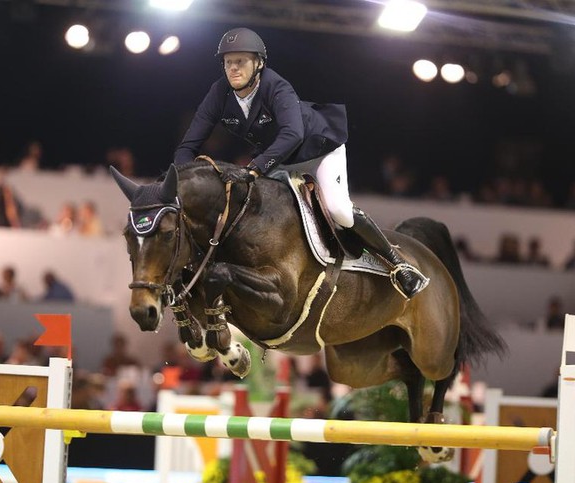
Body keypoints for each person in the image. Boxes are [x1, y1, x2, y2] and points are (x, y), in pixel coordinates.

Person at [173, 28, 428, 299]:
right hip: (280, 159)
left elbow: (292, 134)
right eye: (228, 62)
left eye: (241, 61)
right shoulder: (219, 92)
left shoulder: (275, 85)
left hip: (319, 152)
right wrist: (178, 182)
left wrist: (255, 167)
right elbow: (190, 144)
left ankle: (399, 265)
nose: (233, 68)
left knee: (338, 210)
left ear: (258, 63)